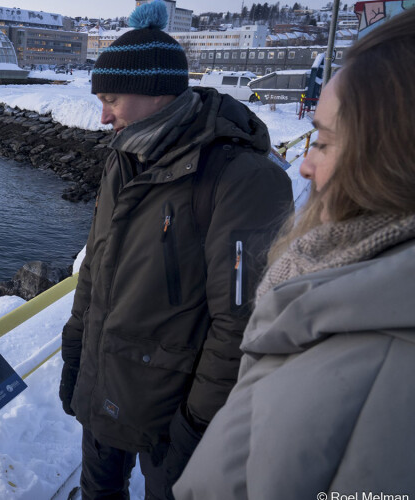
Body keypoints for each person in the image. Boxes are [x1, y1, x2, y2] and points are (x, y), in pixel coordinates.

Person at [173, 8, 415, 500]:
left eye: (323, 142)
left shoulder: (372, 356)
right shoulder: (346, 290)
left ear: (389, 160)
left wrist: (195, 417)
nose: (303, 165)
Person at [58, 1, 294, 499]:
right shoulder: (123, 159)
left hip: (175, 415)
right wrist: (76, 359)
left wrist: (198, 423)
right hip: (106, 389)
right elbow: (95, 271)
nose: (102, 117)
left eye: (112, 99)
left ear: (157, 93)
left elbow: (243, 324)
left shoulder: (241, 179)